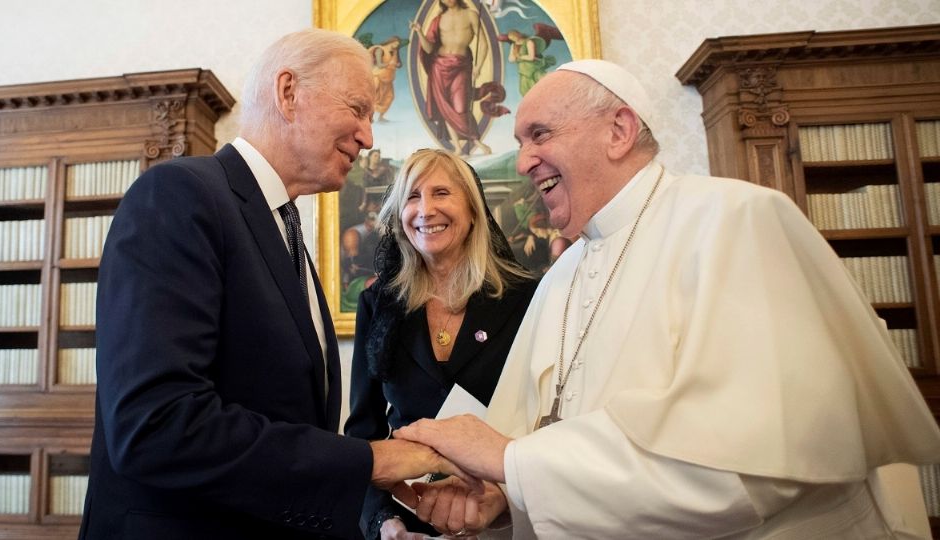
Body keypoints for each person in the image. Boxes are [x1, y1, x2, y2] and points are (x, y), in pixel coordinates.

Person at [394, 59, 940, 538]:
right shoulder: (561, 277)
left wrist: (515, 462)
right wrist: (504, 498)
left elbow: (746, 469)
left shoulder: (735, 221)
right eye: (520, 144)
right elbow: (537, 443)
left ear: (619, 130)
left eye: (539, 134)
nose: (522, 162)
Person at [79, 29, 470, 540]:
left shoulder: (284, 232)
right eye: (357, 108)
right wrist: (367, 461)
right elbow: (157, 425)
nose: (368, 136)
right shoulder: (180, 195)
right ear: (288, 92)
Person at [344, 149, 537, 539]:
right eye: (412, 197)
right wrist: (385, 524)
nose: (425, 209)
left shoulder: (528, 298)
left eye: (442, 193)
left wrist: (502, 499)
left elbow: (545, 421)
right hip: (409, 518)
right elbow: (363, 434)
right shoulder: (378, 305)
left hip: (504, 514)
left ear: (473, 210)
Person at [410, 0, 502, 156]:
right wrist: (419, 32)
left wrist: (478, 66)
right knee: (445, 107)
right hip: (439, 66)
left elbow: (484, 44)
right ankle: (458, 147)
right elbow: (429, 48)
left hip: (461, 65)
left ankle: (475, 141)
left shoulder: (471, 15)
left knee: (461, 106)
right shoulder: (438, 19)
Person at [498, 24, 562, 96]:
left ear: (518, 34)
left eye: (514, 36)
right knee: (525, 90)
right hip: (523, 70)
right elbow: (511, 59)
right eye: (512, 38)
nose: (514, 38)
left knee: (544, 82)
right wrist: (516, 57)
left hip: (532, 67)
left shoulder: (529, 42)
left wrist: (520, 57)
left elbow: (531, 57)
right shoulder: (514, 45)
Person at [367, 36, 403, 122]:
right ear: (391, 41)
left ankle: (381, 117)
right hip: (378, 76)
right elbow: (379, 65)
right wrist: (389, 64)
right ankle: (369, 117)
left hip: (388, 78)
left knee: (389, 97)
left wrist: (397, 64)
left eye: (398, 45)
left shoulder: (394, 52)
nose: (396, 46)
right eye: (396, 43)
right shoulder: (380, 50)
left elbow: (399, 64)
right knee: (373, 97)